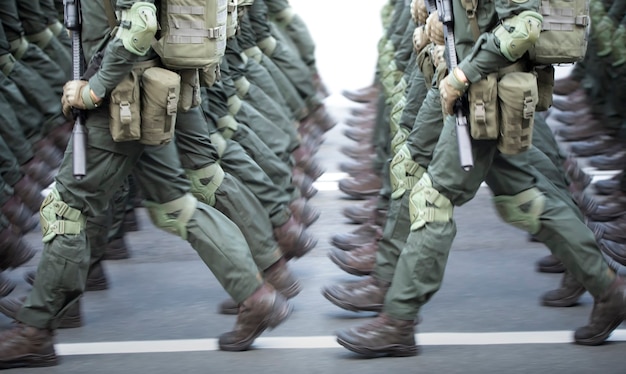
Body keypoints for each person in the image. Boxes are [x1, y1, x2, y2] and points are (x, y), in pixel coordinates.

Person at [0, 0, 294, 368]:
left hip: (126, 91)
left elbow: (139, 24)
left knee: (66, 209)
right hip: (159, 80)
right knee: (176, 205)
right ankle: (258, 296)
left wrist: (94, 90)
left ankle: (35, 331)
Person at [332, 0, 626, 358]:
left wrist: (464, 74)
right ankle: (387, 281)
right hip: (453, 73)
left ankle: (399, 320)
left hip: (484, 88)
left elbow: (524, 25)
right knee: (509, 196)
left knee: (435, 198)